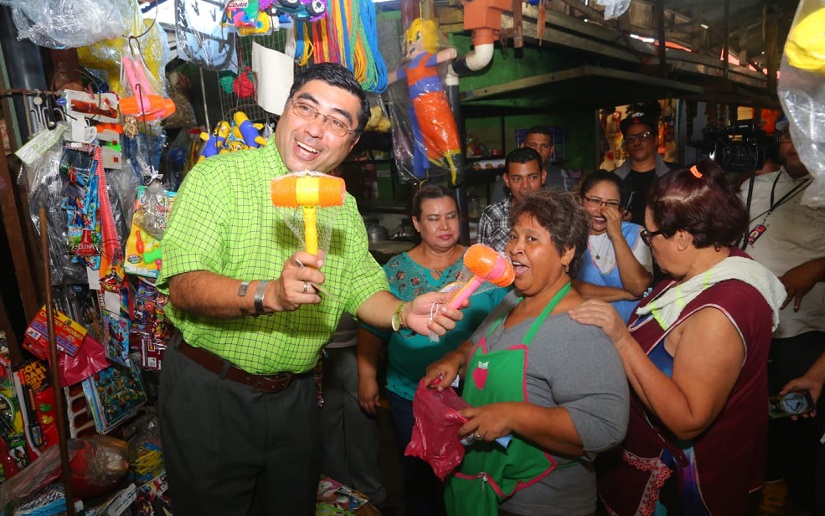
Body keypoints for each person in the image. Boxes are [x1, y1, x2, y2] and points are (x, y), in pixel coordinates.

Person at [157, 63, 463, 515]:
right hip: (211, 392)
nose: (316, 130)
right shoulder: (218, 178)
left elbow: (363, 288)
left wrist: (403, 313)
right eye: (307, 108)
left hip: (296, 398)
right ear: (285, 110)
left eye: (337, 122)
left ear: (352, 142)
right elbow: (184, 286)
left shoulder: (343, 206)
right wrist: (269, 294)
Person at [569, 158, 786, 514]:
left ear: (683, 238)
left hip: (685, 483)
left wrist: (621, 339)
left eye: (650, 235)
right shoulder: (698, 272)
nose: (649, 244)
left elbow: (688, 418)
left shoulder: (718, 312)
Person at [425, 189, 630, 515]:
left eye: (532, 239)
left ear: (566, 253)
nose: (514, 247)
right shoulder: (514, 299)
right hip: (486, 485)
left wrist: (513, 416)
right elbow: (479, 344)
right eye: (514, 235)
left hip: (540, 501)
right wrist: (455, 358)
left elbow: (605, 426)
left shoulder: (578, 327)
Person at [358, 185, 509, 516]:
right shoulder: (395, 270)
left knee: (469, 471)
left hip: (472, 392)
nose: (445, 226)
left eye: (451, 216)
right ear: (416, 223)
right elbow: (372, 328)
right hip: (410, 393)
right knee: (419, 476)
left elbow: (508, 321)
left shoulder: (483, 267)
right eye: (434, 218)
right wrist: (366, 374)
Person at [739, 116, 825, 515]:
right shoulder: (756, 186)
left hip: (801, 333)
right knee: (761, 415)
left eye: (802, 138)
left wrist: (818, 266)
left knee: (799, 415)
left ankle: (804, 495)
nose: (793, 145)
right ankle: (768, 485)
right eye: (787, 136)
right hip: (753, 331)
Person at [318, 313, 389, 510]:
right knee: (326, 432)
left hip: (359, 348)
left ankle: (373, 498)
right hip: (316, 351)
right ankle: (338, 500)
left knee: (363, 426)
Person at [574, 170, 653, 322]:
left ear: (621, 210)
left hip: (633, 326)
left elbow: (638, 287)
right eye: (595, 201)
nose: (602, 210)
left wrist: (617, 235)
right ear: (581, 200)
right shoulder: (570, 235)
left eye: (611, 204)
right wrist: (624, 293)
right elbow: (569, 287)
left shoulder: (636, 234)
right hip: (589, 328)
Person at [613, 102, 673, 226]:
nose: (637, 142)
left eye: (644, 136)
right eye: (631, 138)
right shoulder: (612, 180)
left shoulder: (675, 177)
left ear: (656, 140)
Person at [478, 147, 545, 253]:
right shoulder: (492, 215)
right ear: (506, 180)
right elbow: (482, 262)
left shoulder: (556, 215)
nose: (525, 186)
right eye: (517, 179)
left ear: (543, 176)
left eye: (532, 177)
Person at [489, 125, 574, 203]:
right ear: (522, 146)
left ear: (551, 150)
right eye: (533, 145)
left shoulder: (562, 176)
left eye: (544, 146)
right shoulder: (505, 183)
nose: (538, 150)